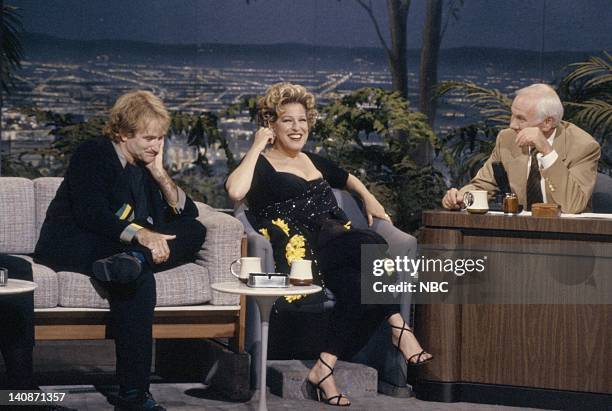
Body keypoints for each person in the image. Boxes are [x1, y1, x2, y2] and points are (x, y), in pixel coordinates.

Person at [226, 82, 432, 406]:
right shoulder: (262, 165)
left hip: (337, 241)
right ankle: (399, 327)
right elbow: (235, 192)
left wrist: (371, 201)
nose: (298, 128)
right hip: (301, 252)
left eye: (303, 120)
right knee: (373, 241)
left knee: (356, 287)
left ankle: (323, 368)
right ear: (271, 125)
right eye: (287, 120)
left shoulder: (313, 161)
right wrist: (255, 147)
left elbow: (349, 179)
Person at [34, 90, 206, 411]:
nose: (156, 146)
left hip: (120, 249)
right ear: (123, 134)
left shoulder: (144, 167)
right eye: (148, 138)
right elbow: (92, 213)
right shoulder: (94, 153)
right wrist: (142, 235)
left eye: (161, 138)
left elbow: (187, 214)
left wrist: (160, 173)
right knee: (137, 277)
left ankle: (135, 262)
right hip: (77, 241)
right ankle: (133, 396)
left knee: (194, 231)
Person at [442, 83, 600, 214]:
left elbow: (572, 206)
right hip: (521, 233)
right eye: (512, 115)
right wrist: (461, 197)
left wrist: (547, 151)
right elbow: (482, 186)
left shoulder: (583, 146)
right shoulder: (507, 139)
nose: (512, 125)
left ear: (547, 122)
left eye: (521, 119)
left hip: (569, 237)